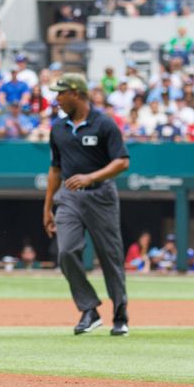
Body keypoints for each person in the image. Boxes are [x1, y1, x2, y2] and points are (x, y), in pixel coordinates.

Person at [42, 73, 130, 336]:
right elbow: (55, 169)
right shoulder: (58, 128)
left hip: (101, 195)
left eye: (61, 93)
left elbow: (123, 161)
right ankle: (89, 309)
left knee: (109, 256)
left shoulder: (104, 124)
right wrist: (47, 207)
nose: (56, 99)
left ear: (76, 94)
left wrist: (91, 177)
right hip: (68, 197)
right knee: (66, 251)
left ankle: (120, 314)